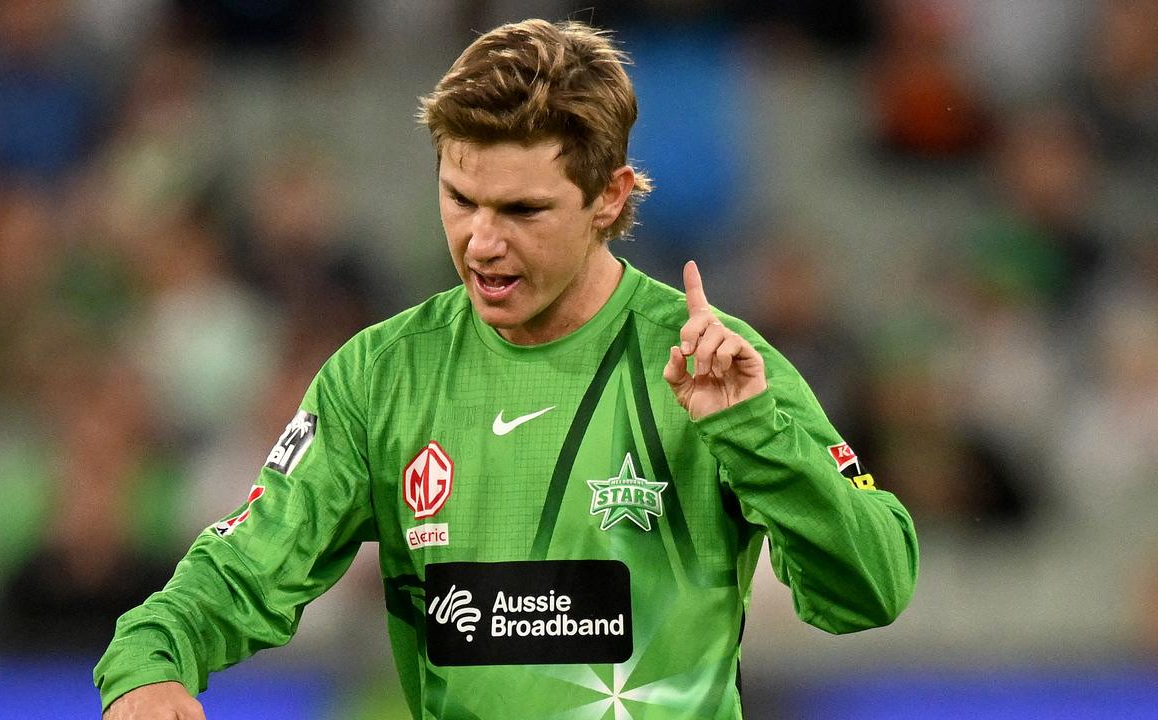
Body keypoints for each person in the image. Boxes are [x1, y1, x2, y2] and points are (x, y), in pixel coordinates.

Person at [95, 19, 918, 720]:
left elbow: (871, 587)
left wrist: (753, 434)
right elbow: (247, 564)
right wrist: (151, 660)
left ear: (610, 196)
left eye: (522, 210)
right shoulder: (382, 376)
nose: (481, 242)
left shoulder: (713, 363)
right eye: (461, 199)